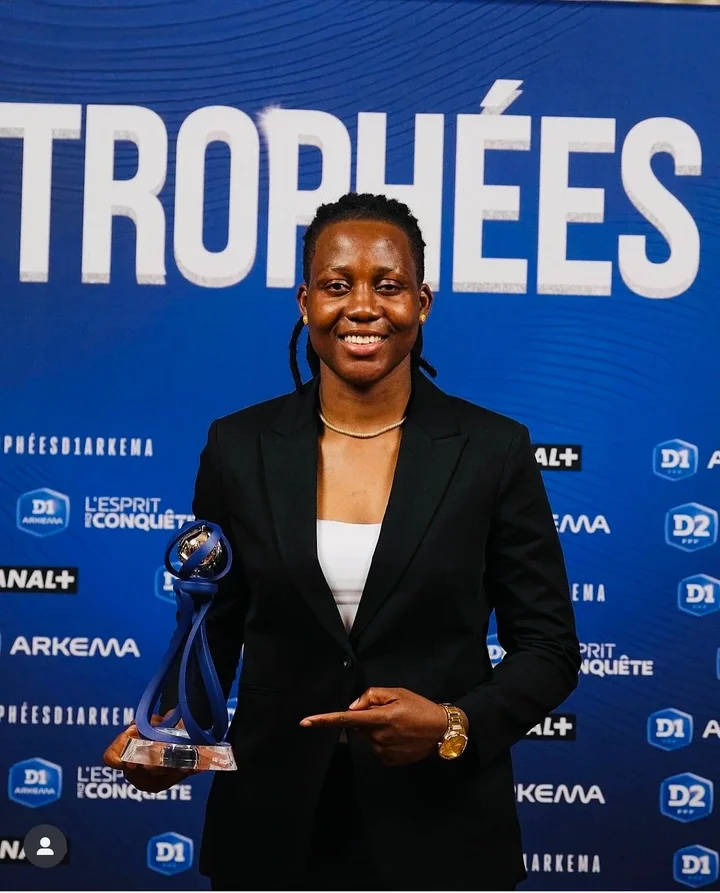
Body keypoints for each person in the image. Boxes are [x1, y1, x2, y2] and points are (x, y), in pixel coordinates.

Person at [104, 192, 580, 891]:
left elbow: (549, 648)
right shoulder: (238, 447)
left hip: (441, 834)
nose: (362, 306)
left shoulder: (492, 451)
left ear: (422, 302)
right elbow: (216, 628)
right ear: (305, 302)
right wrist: (170, 738)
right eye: (337, 285)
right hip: (270, 834)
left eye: (387, 286)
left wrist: (454, 722)